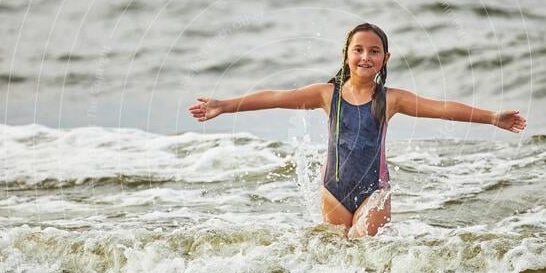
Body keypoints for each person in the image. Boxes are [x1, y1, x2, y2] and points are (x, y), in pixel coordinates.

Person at [188, 22, 527, 238]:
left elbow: (442, 108)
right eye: (359, 50)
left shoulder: (391, 99)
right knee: (337, 258)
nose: (366, 56)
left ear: (386, 58)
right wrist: (225, 105)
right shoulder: (327, 94)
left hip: (374, 190)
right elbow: (276, 97)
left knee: (363, 248)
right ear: (346, 55)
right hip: (333, 189)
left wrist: (491, 117)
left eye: (374, 51)